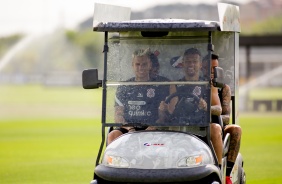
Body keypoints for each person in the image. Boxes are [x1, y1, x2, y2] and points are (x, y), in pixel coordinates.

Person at [158, 48, 223, 168]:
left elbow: (218, 109)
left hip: (201, 126)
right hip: (179, 125)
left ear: (200, 64)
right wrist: (164, 109)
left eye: (194, 61)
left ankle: (219, 168)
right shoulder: (175, 84)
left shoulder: (209, 83)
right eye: (188, 61)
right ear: (183, 63)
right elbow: (172, 110)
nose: (191, 64)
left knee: (215, 128)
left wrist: (206, 107)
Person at [107, 48, 170, 145]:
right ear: (132, 66)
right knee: (113, 135)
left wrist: (154, 126)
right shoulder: (124, 87)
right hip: (129, 128)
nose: (141, 67)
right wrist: (130, 128)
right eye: (137, 64)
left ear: (150, 65)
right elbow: (118, 115)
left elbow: (163, 116)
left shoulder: (159, 86)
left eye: (144, 64)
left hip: (153, 129)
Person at [208, 53, 242, 184]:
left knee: (236, 129)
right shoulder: (196, 84)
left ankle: (226, 174)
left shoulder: (224, 88)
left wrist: (209, 113)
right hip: (196, 127)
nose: (212, 72)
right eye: (209, 68)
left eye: (215, 68)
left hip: (217, 125)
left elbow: (227, 117)